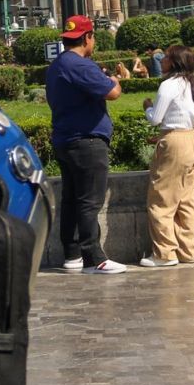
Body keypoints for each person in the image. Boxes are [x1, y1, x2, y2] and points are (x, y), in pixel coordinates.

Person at [46, 14, 131, 275]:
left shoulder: (58, 64)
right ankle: (95, 258)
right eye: (93, 37)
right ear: (87, 37)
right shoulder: (81, 65)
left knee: (71, 199)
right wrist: (115, 81)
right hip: (87, 141)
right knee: (89, 201)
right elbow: (112, 93)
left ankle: (72, 255)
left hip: (66, 140)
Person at [140, 45, 194, 267]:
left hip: (174, 142)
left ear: (174, 62)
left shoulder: (168, 85)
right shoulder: (193, 84)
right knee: (187, 201)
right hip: (192, 140)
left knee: (161, 199)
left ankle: (164, 253)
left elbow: (156, 118)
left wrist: (147, 106)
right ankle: (188, 251)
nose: (162, 60)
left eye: (166, 57)